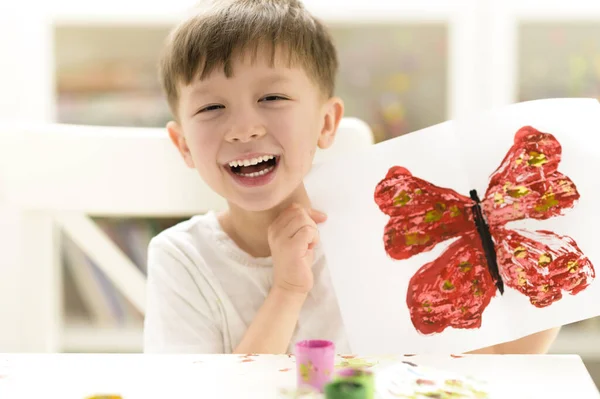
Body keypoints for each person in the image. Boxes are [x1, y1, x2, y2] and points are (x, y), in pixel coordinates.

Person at [143, 0, 560, 355]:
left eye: (272, 98)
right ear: (183, 146)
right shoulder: (180, 259)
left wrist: (555, 295)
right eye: (211, 108)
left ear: (326, 123)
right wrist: (288, 289)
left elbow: (484, 368)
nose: (244, 128)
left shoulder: (384, 238)